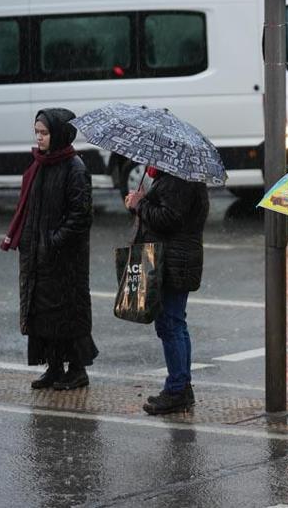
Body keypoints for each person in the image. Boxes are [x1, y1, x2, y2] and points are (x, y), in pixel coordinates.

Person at [1, 108, 97, 390]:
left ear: (59, 134)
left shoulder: (75, 168)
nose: (39, 138)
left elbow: (81, 216)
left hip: (65, 260)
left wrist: (54, 241)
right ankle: (54, 367)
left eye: (44, 133)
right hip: (40, 256)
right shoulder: (39, 165)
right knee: (44, 315)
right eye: (37, 133)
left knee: (68, 314)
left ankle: (77, 370)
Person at [125, 166, 209, 415]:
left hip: (173, 261)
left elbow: (169, 219)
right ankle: (181, 385)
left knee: (170, 325)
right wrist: (140, 203)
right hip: (176, 259)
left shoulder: (178, 180)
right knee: (174, 323)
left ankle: (177, 389)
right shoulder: (181, 177)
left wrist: (140, 204)